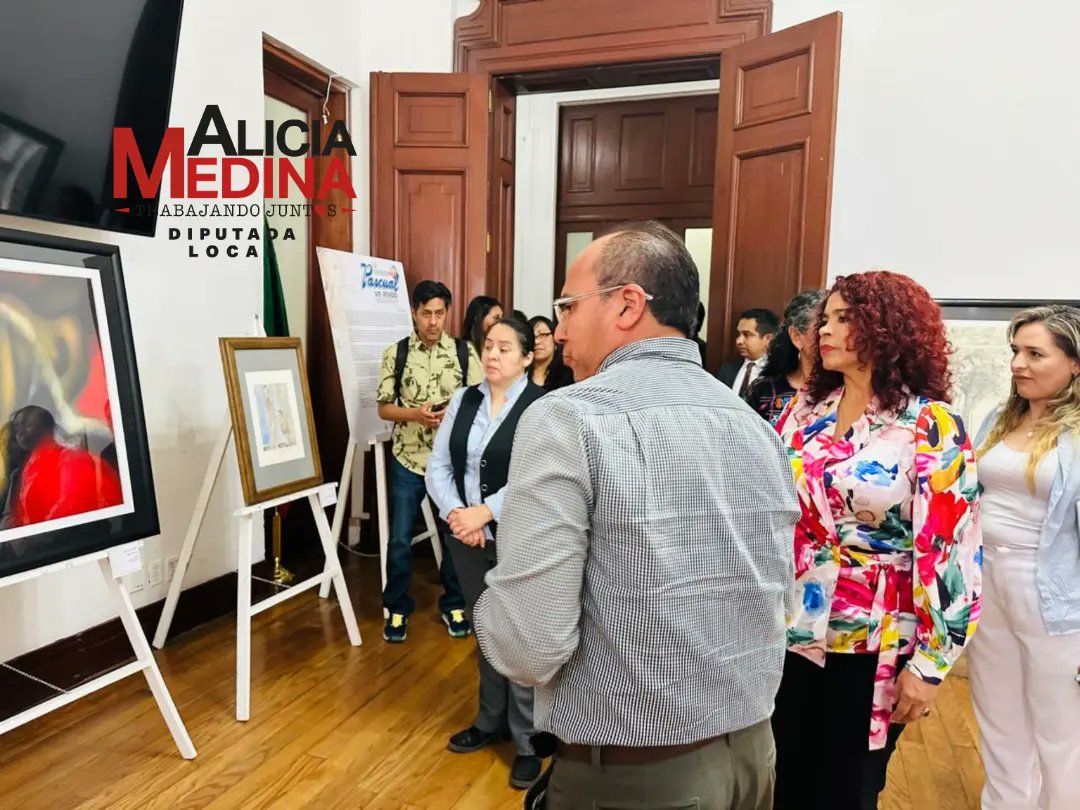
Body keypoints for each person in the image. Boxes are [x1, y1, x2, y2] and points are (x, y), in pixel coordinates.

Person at [473, 221, 800, 810]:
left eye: (569, 306)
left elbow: (530, 645)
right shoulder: (754, 425)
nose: (562, 329)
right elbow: (779, 595)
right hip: (755, 757)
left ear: (627, 305)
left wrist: (485, 602)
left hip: (636, 776)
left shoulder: (566, 418)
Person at [772, 271, 982, 810]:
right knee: (786, 775)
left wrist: (932, 665)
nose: (826, 328)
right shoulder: (804, 412)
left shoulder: (929, 424)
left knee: (846, 788)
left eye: (846, 318)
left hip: (874, 636)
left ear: (889, 330)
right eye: (828, 316)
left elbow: (951, 551)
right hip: (791, 625)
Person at [425, 316, 547, 790]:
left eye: (503, 348)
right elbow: (439, 465)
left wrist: (486, 513)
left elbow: (536, 476)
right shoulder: (464, 398)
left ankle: (527, 740)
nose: (492, 355)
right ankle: (489, 719)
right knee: (484, 628)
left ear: (526, 356)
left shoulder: (542, 407)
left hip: (518, 537)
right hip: (467, 539)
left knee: (517, 636)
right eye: (487, 346)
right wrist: (459, 513)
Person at [968, 305, 1080, 810]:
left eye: (1036, 353)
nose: (1019, 364)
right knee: (998, 715)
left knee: (1061, 731)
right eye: (1016, 351)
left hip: (1056, 594)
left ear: (1075, 364)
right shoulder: (998, 417)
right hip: (987, 578)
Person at [375, 280, 483, 643]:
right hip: (408, 458)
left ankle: (453, 602)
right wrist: (415, 415)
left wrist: (456, 412)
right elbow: (383, 407)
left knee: (455, 534)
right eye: (426, 314)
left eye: (439, 313)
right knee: (401, 539)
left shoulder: (466, 354)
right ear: (414, 313)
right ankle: (396, 608)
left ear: (447, 313)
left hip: (451, 463)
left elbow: (481, 401)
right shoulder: (397, 353)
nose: (433, 322)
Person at [744, 290, 826, 424]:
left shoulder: (843, 391)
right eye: (821, 326)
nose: (827, 332)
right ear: (796, 336)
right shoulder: (763, 390)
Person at [716, 308, 779, 396]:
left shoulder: (777, 373)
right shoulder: (727, 369)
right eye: (739, 334)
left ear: (767, 339)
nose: (739, 341)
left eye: (747, 335)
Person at [526, 316, 574, 391]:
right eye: (532, 337)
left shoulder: (568, 375)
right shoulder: (520, 374)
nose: (536, 342)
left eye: (542, 335)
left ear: (555, 339)